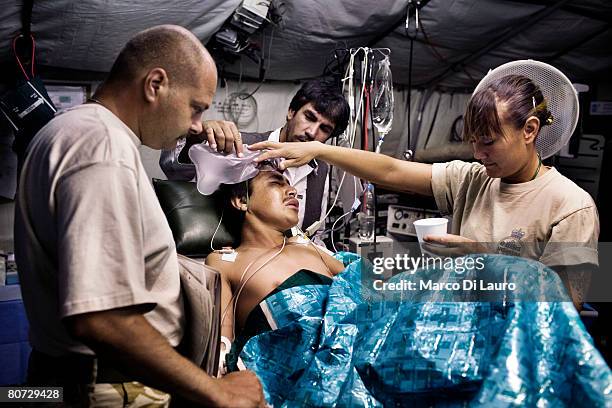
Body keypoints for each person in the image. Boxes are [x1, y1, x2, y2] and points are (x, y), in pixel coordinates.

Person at [15, 25, 264, 407]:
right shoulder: (102, 146)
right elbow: (101, 317)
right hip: (105, 384)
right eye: (196, 107)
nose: (197, 125)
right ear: (155, 84)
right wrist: (218, 392)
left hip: (83, 375)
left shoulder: (74, 130)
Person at [251, 74, 599, 309]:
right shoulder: (474, 179)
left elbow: (571, 300)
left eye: (489, 142)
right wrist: (320, 151)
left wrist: (484, 258)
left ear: (530, 130)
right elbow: (392, 170)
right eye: (474, 142)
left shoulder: (572, 206)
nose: (478, 154)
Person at [160, 77, 350, 234]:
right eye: (309, 117)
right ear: (291, 112)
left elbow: (315, 232)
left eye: (324, 129)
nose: (312, 132)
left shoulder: (321, 169)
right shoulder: (241, 145)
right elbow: (175, 168)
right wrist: (198, 135)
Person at [205, 164, 345, 362]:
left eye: (289, 184)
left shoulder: (308, 248)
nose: (293, 191)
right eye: (276, 183)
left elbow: (368, 290)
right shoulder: (225, 262)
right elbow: (222, 342)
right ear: (242, 200)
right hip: (294, 373)